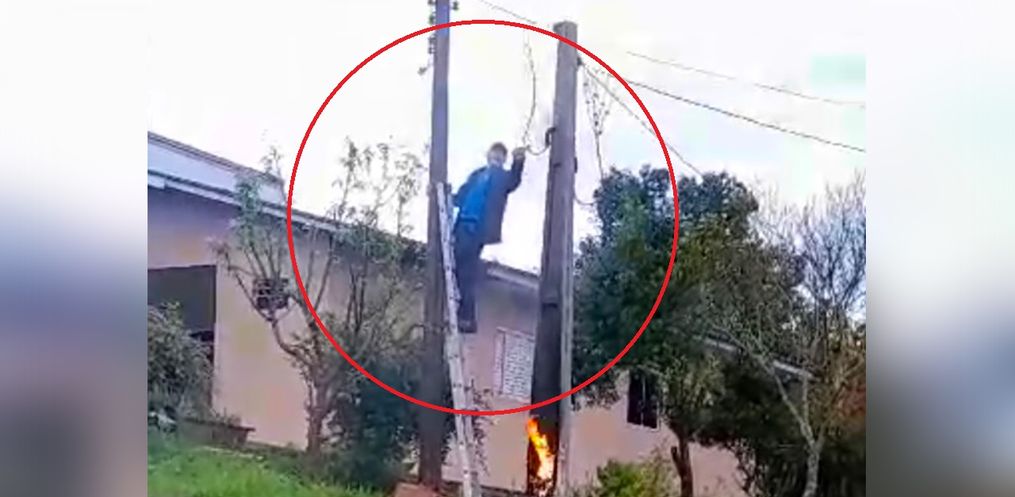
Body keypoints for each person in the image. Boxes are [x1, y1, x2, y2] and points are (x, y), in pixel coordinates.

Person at [452, 142, 526, 333]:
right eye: (494, 153)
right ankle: (463, 313)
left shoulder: (503, 177)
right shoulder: (477, 175)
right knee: (457, 268)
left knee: (466, 271)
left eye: (500, 155)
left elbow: (514, 181)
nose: (496, 157)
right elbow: (459, 197)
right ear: (488, 155)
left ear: (503, 159)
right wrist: (441, 194)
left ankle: (467, 318)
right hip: (462, 226)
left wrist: (519, 160)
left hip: (477, 230)